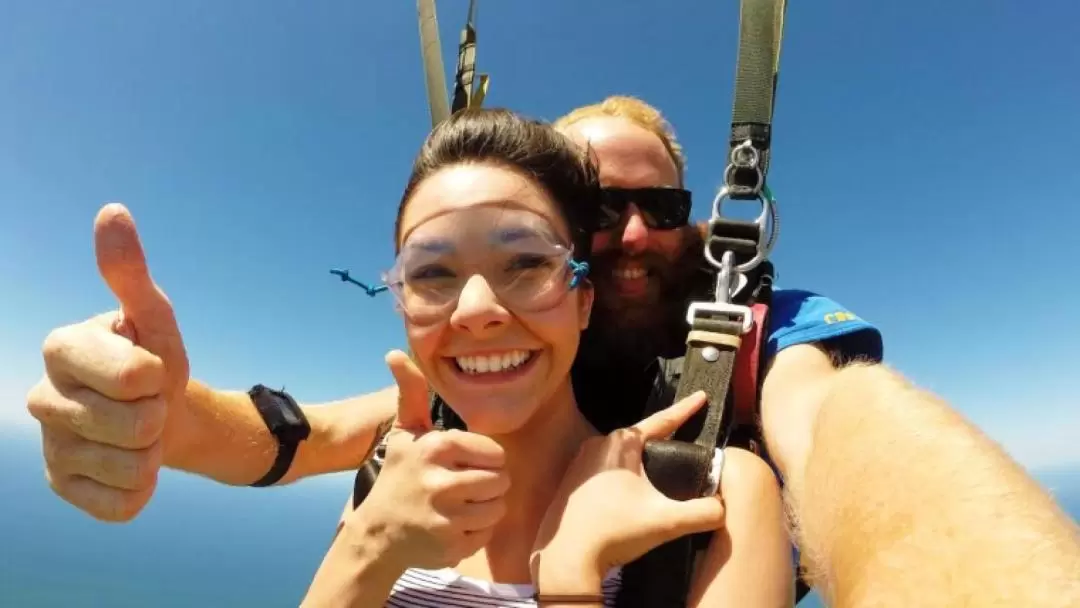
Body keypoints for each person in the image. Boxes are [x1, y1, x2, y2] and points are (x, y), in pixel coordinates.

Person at [26, 96, 1080, 606]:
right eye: (597, 210)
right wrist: (155, 420)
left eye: (658, 206)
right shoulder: (408, 452)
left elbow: (859, 437)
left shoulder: (744, 380)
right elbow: (301, 432)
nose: (627, 238)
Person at [299, 107, 792, 607]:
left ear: (584, 299)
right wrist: (369, 547)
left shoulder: (715, 495)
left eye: (528, 264)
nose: (475, 311)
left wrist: (570, 578)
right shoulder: (390, 475)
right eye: (432, 274)